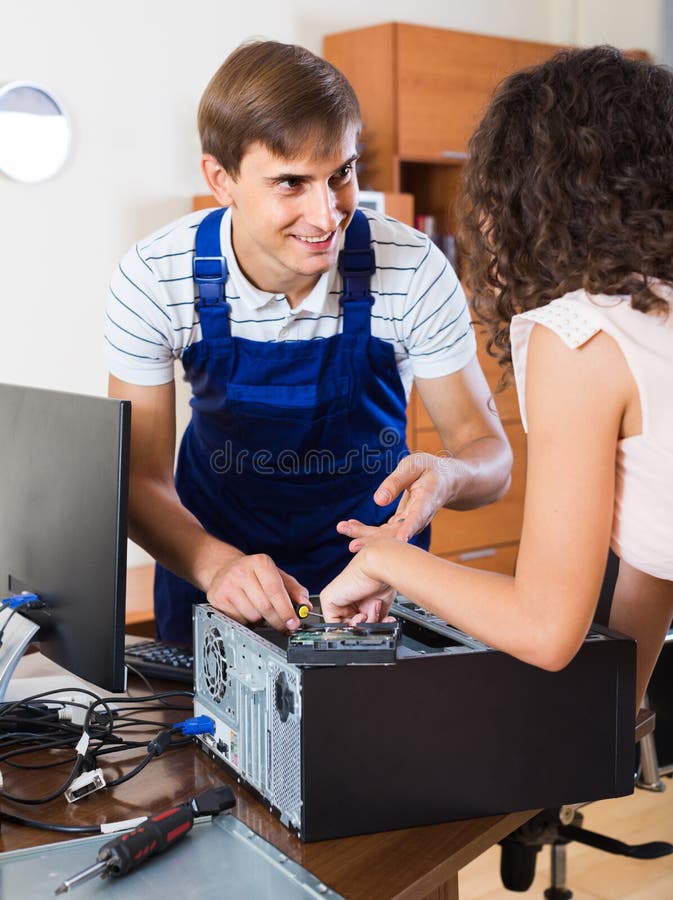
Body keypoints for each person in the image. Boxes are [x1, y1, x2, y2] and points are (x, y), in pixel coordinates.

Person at [105, 40, 512, 643]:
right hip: (218, 579)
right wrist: (215, 566)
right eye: (291, 183)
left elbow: (491, 457)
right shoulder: (156, 275)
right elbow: (137, 480)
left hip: (371, 586)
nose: (326, 216)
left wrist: (448, 477)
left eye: (341, 174)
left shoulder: (414, 268)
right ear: (222, 179)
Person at [320, 45, 673, 711]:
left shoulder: (582, 337)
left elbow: (544, 629)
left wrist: (383, 559)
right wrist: (608, 711)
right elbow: (659, 551)